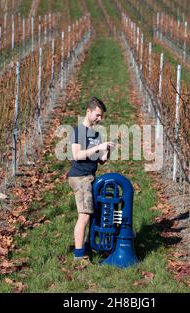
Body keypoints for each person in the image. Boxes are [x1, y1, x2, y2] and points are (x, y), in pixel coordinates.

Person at [67, 97, 115, 263]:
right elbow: (77, 155)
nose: (99, 119)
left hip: (91, 177)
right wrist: (97, 148)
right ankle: (79, 255)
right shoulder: (78, 131)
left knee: (93, 214)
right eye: (97, 115)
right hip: (80, 177)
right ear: (88, 111)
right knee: (85, 215)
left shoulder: (96, 134)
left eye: (101, 116)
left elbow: (101, 160)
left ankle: (88, 247)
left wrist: (107, 151)